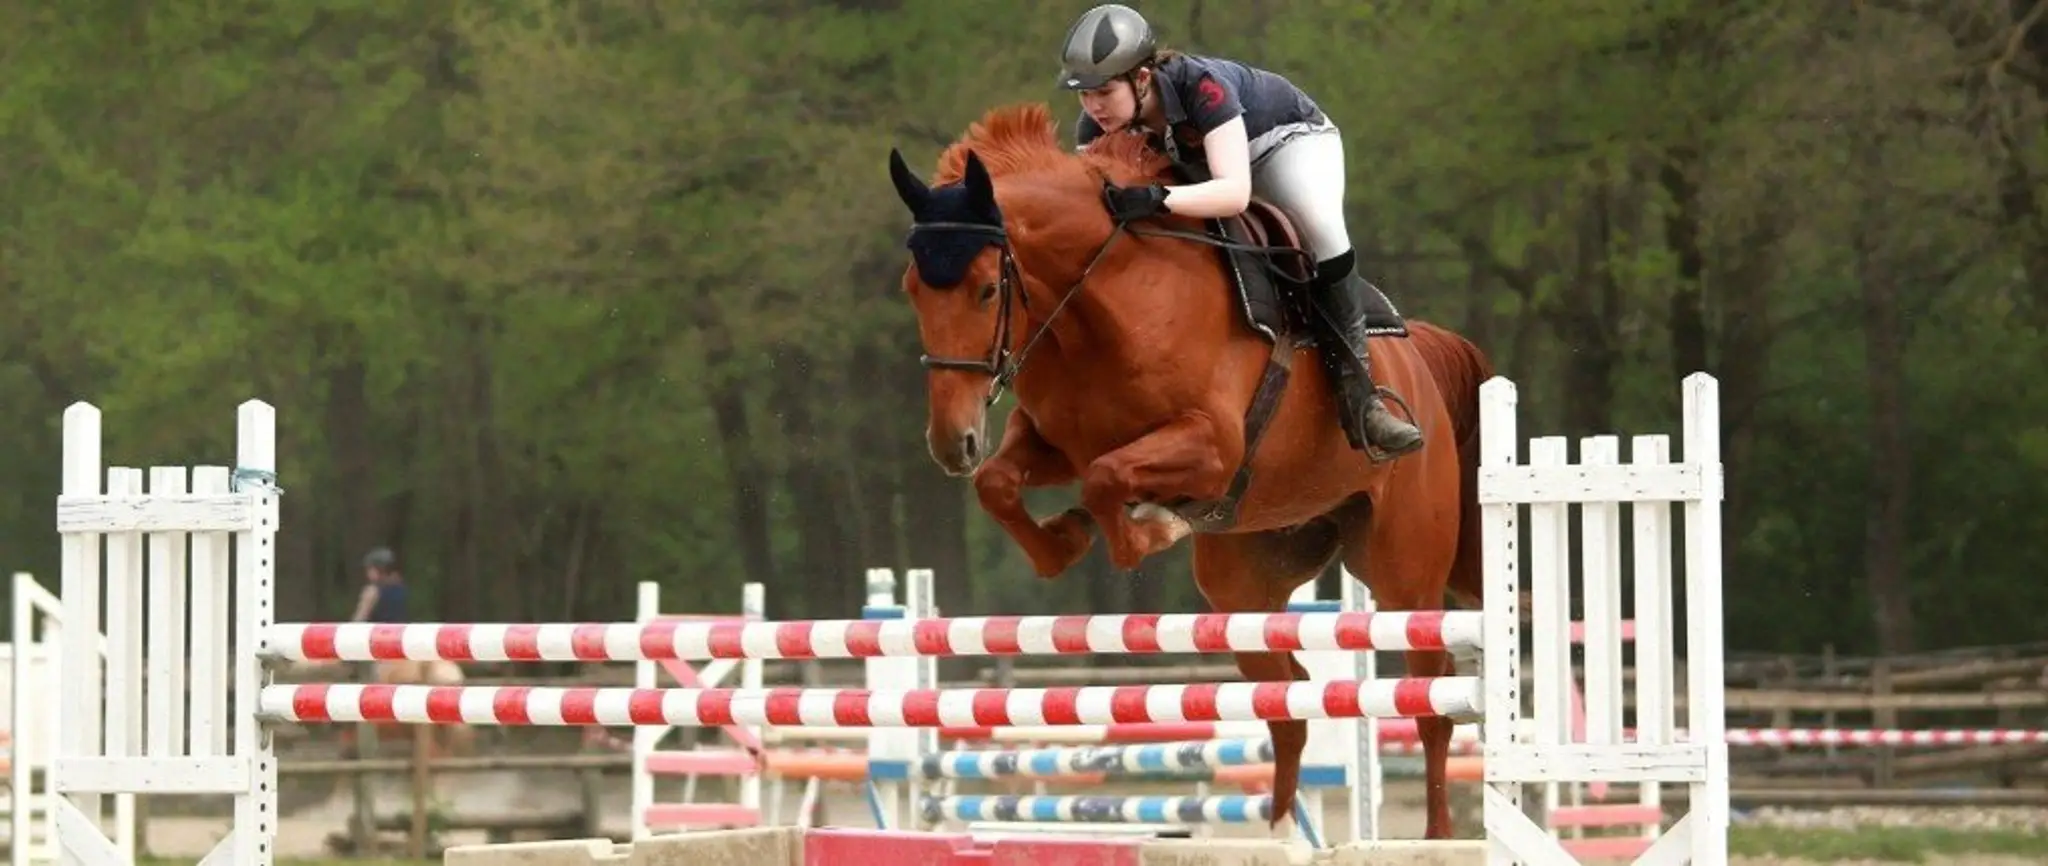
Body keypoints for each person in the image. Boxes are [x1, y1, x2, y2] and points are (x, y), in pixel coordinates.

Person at [1056, 3, 1423, 457]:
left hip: (1284, 144)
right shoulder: (1096, 125)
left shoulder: (1201, 88)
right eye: (1084, 94)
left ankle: (1363, 402)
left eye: (1104, 91)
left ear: (1143, 77)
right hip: (1211, 165)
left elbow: (1232, 193)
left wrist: (1158, 199)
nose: (1093, 106)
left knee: (1320, 227)